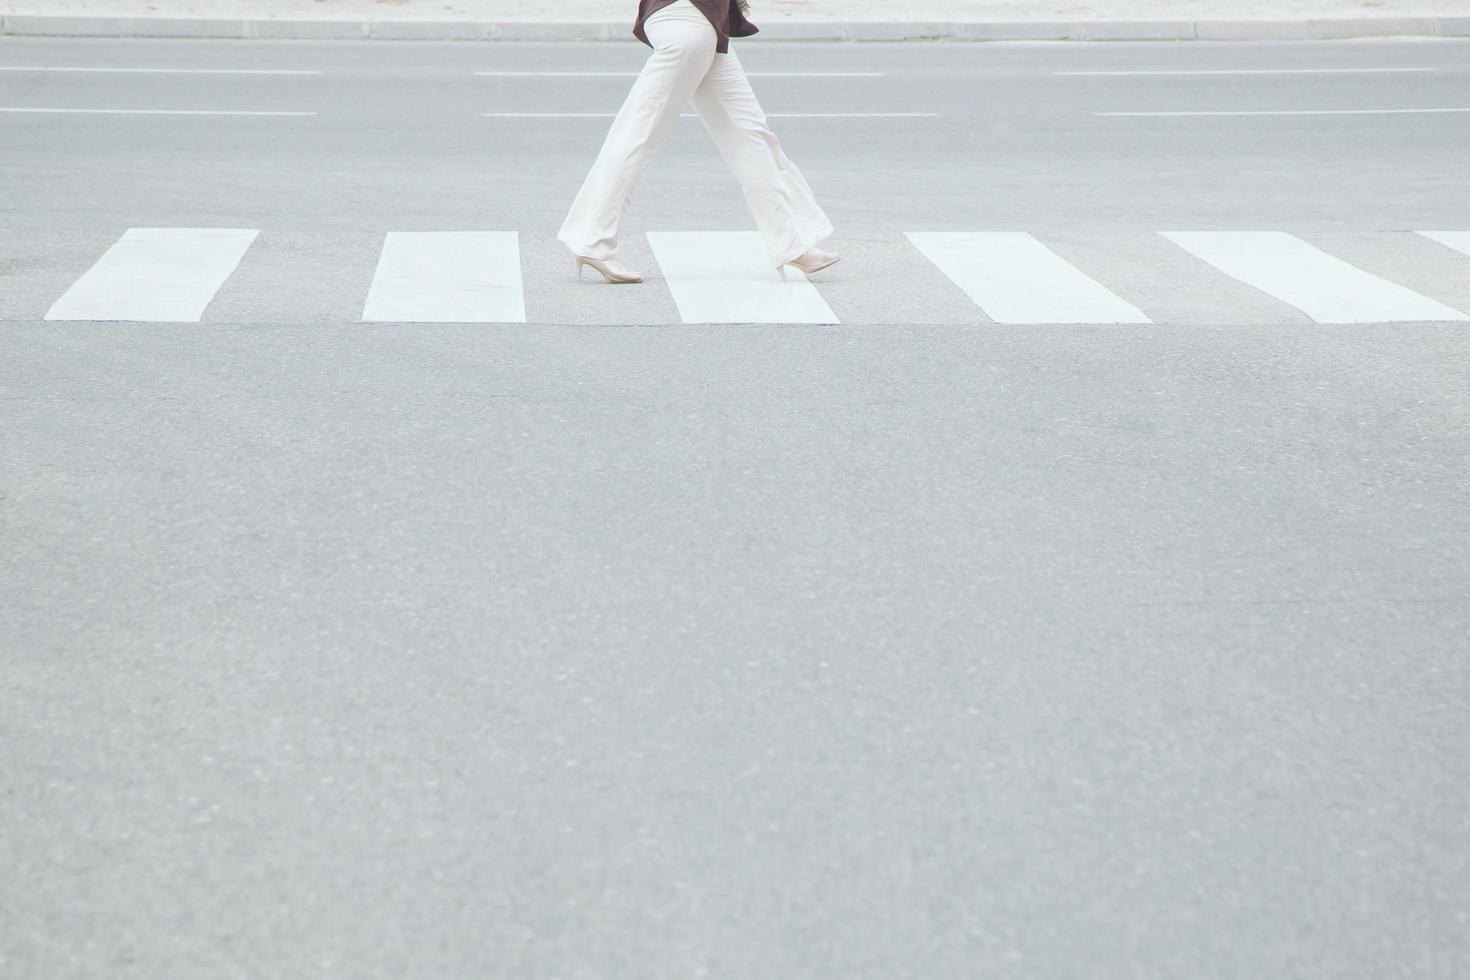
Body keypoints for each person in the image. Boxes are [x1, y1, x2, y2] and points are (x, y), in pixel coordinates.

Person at [557, 0, 840, 285]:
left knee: (751, 136)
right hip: (686, 24)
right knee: (636, 137)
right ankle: (592, 241)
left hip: (704, 25)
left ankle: (793, 242)